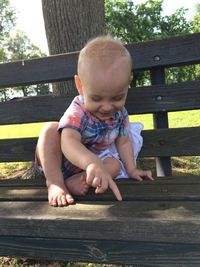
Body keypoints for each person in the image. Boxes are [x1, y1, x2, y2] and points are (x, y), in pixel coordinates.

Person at [35, 35, 153, 207]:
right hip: (58, 161)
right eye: (97, 98)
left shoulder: (121, 115)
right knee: (50, 130)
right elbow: (68, 142)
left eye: (117, 97)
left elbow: (124, 142)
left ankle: (78, 181)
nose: (106, 107)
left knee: (114, 165)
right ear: (80, 86)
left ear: (128, 83)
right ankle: (56, 184)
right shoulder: (78, 111)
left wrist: (132, 169)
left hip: (89, 167)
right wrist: (92, 162)